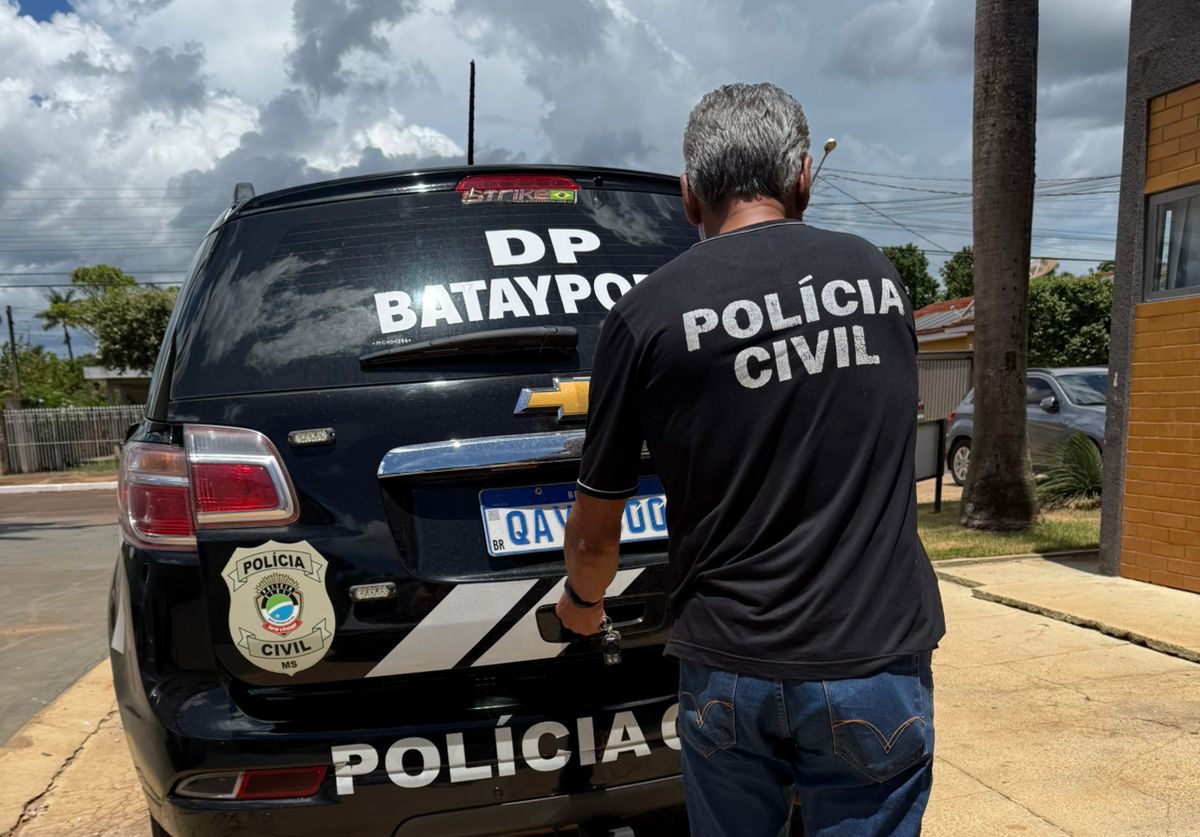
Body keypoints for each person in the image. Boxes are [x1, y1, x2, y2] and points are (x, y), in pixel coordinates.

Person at [555, 82, 946, 836]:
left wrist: (583, 605)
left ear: (689, 196)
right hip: (872, 658)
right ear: (803, 176)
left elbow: (595, 537)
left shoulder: (645, 316)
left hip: (728, 666)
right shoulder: (876, 277)